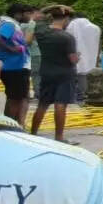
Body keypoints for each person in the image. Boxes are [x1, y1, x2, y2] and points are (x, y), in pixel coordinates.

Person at [30, 7, 78, 142]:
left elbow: (39, 15)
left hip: (46, 72)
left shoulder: (42, 33)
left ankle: (33, 132)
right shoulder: (67, 37)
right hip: (64, 74)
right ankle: (59, 137)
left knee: (42, 104)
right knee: (60, 104)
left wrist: (52, 8)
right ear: (66, 19)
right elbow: (73, 59)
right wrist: (78, 57)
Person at [0, 3, 35, 127]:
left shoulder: (10, 23)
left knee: (20, 97)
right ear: (18, 14)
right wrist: (12, 49)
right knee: (15, 99)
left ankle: (17, 124)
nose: (30, 16)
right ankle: (8, 126)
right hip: (14, 66)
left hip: (16, 66)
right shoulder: (9, 24)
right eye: (27, 13)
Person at [67, 13, 102, 103]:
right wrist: (98, 58)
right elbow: (98, 45)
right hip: (92, 58)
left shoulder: (73, 25)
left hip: (76, 57)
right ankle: (85, 97)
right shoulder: (96, 28)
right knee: (87, 76)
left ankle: (78, 97)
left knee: (78, 77)